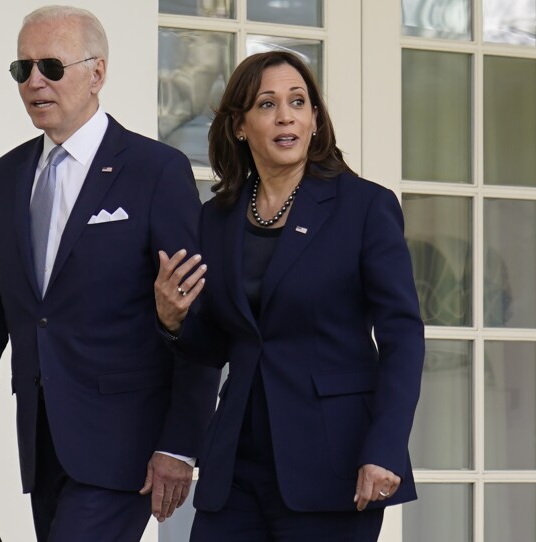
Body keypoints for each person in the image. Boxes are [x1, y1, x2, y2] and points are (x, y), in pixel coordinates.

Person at [0, 6, 220, 541]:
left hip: (124, 449)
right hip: (42, 446)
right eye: (23, 69)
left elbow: (195, 318)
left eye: (52, 68)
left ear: (97, 73)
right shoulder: (4, 177)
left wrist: (178, 444)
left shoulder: (156, 171)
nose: (35, 81)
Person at [154, 51, 425, 541]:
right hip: (236, 464)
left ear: (315, 119)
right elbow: (217, 346)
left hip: (332, 464)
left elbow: (403, 339)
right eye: (267, 104)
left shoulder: (364, 207)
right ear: (240, 125)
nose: (286, 116)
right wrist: (174, 320)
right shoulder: (216, 218)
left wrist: (384, 448)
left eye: (298, 102)